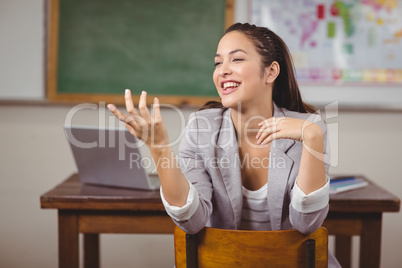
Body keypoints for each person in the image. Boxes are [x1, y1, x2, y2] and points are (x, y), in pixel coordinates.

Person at [107, 23, 340, 267]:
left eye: (236, 59)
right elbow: (191, 220)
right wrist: (159, 148)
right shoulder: (201, 128)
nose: (223, 71)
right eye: (218, 63)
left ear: (270, 72)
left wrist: (312, 137)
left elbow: (307, 223)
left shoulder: (309, 129)